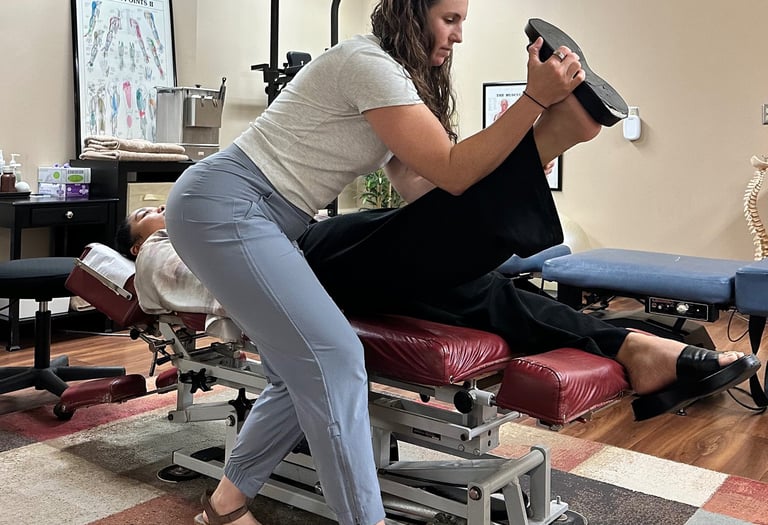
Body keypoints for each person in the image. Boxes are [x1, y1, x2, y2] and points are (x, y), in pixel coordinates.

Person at [137, 4, 758, 525]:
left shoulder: (395, 87)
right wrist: (530, 106)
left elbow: (430, 192)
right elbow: (455, 170)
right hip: (225, 204)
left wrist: (518, 166)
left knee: (301, 368)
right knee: (334, 358)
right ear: (413, 9)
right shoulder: (364, 63)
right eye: (450, 18)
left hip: (283, 225)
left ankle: (223, 505)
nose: (459, 34)